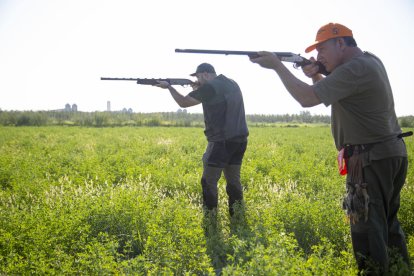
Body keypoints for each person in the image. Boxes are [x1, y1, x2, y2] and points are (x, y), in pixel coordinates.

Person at [249, 23, 411, 273]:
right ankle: (401, 270)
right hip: (387, 153)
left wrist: (277, 66)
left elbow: (308, 98)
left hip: (370, 158)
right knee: (387, 226)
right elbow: (332, 91)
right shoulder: (367, 62)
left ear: (341, 43)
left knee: (367, 229)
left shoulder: (354, 69)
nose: (319, 55)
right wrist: (315, 73)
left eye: (322, 48)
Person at [156, 63, 249, 217]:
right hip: (239, 140)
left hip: (221, 142)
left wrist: (169, 88)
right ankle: (237, 216)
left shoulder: (210, 87)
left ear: (205, 74)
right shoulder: (231, 83)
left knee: (208, 181)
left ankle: (210, 219)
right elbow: (215, 100)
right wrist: (198, 90)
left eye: (199, 77)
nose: (198, 80)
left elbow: (183, 103)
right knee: (233, 180)